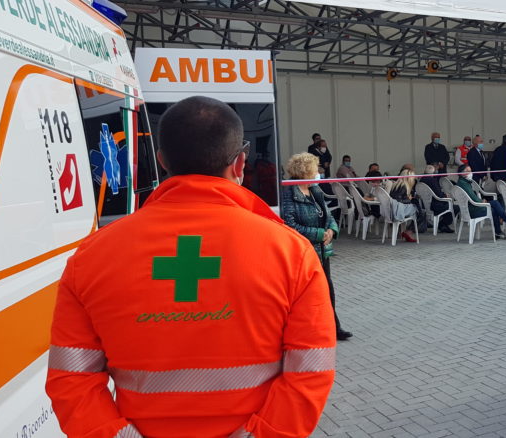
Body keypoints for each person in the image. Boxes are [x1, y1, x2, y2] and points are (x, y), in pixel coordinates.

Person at [46, 96, 336, 437]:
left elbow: (71, 379)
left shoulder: (91, 257)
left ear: (162, 160)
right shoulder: (292, 253)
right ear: (240, 164)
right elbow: (310, 372)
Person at [281, 153, 353, 341]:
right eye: (315, 169)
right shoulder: (288, 193)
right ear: (305, 171)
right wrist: (320, 234)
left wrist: (332, 231)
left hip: (322, 251)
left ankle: (334, 327)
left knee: (327, 288)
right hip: (304, 252)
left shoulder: (315, 190)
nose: (318, 172)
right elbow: (290, 225)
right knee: (306, 293)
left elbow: (328, 216)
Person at [456, 164, 506, 239]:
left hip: (471, 209)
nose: (470, 173)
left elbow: (471, 197)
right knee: (495, 204)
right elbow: (472, 198)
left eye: (470, 171)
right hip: (473, 210)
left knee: (494, 208)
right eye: (467, 171)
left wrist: (481, 202)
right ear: (461, 173)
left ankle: (501, 230)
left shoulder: (463, 182)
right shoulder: (464, 184)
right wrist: (481, 202)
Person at [419, 165, 455, 233]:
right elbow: (438, 194)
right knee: (455, 208)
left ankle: (441, 225)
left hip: (424, 205)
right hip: (435, 205)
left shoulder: (421, 180)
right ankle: (442, 224)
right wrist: (445, 195)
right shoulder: (432, 181)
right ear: (433, 173)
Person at [388, 169, 420, 242]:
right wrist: (409, 199)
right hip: (399, 210)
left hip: (393, 209)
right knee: (420, 212)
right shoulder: (404, 186)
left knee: (418, 210)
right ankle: (409, 231)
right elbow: (399, 201)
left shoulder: (395, 185)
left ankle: (407, 231)